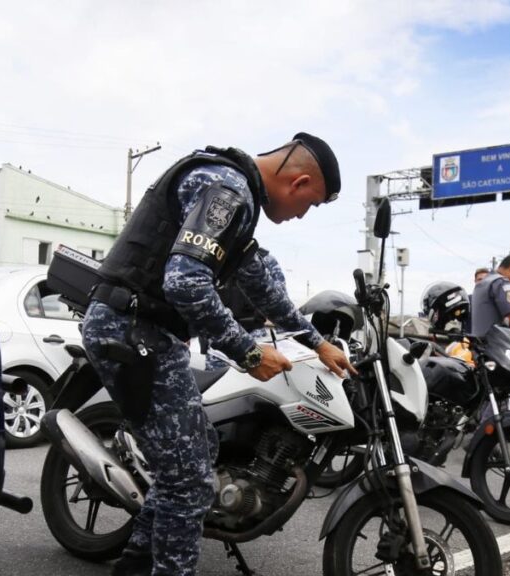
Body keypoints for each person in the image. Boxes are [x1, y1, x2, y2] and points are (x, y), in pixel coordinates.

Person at [82, 133, 355, 576]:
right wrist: (249, 354)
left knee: (197, 455)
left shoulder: (234, 197)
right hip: (132, 331)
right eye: (310, 205)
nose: (302, 215)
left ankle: (133, 566)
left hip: (146, 330)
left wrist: (317, 342)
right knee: (190, 482)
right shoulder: (229, 190)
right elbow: (185, 283)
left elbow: (261, 287)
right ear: (300, 182)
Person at [203, 247, 284, 370]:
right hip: (219, 344)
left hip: (256, 339)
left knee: (255, 386)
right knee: (220, 386)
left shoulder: (265, 260)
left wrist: (283, 345)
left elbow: (280, 306)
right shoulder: (208, 256)